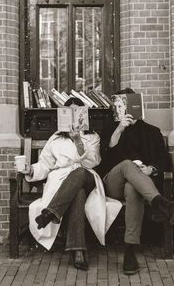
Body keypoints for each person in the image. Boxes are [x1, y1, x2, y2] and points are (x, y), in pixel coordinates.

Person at [19, 97, 122, 270]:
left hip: (87, 177)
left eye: (78, 112)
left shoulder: (92, 137)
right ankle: (78, 250)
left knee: (79, 172)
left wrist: (78, 141)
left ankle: (52, 212)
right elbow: (45, 164)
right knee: (77, 194)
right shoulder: (56, 138)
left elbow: (92, 162)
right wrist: (30, 170)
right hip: (63, 183)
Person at [96, 88, 174, 275]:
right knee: (128, 165)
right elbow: (104, 156)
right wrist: (120, 128)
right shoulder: (111, 128)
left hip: (138, 186)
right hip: (113, 183)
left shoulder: (152, 132)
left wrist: (150, 169)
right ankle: (162, 203)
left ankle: (130, 251)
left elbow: (162, 160)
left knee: (133, 187)